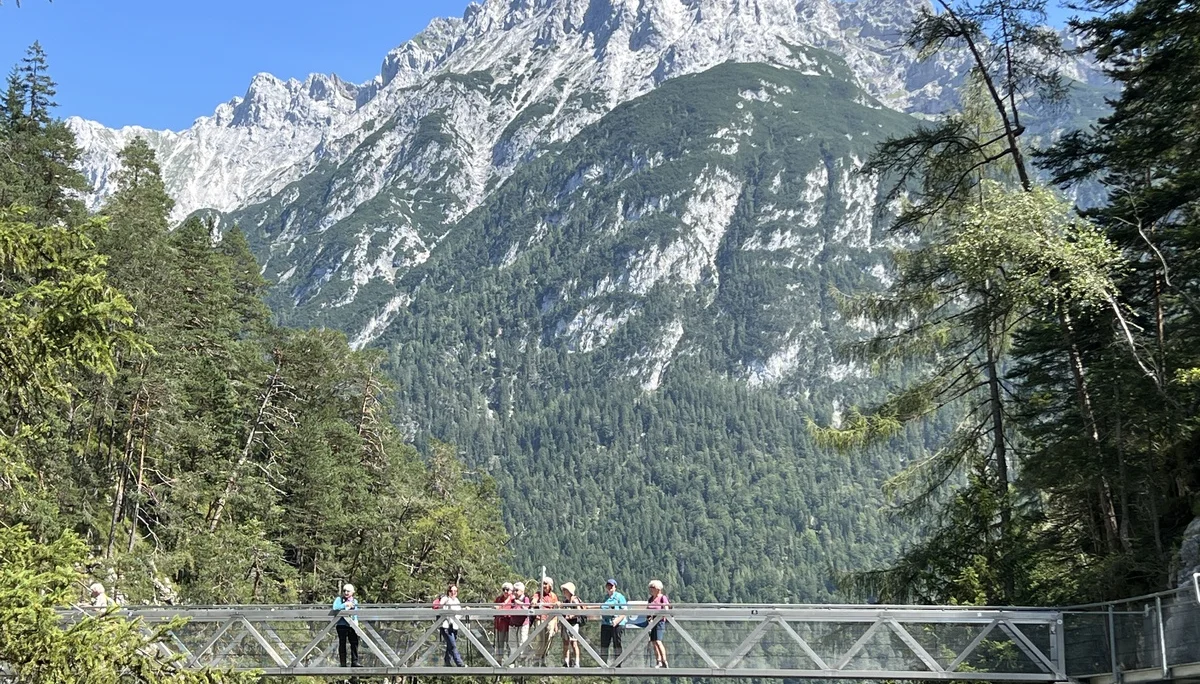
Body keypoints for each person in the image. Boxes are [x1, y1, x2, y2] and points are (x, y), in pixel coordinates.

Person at [531, 576, 559, 665]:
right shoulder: (538, 594)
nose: (543, 586)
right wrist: (534, 601)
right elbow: (534, 599)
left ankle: (543, 657)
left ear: (550, 585)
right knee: (540, 640)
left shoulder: (553, 596)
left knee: (549, 639)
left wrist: (555, 624)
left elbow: (556, 609)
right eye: (542, 584)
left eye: (545, 584)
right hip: (540, 618)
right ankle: (537, 658)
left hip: (550, 619)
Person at [332, 583, 361, 668]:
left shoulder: (354, 601)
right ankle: (343, 663)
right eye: (344, 591)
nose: (346, 592)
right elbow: (335, 608)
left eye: (348, 591)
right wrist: (344, 605)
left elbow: (355, 613)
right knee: (342, 643)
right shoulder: (339, 599)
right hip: (341, 624)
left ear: (352, 592)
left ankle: (354, 662)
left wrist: (356, 623)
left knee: (354, 642)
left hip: (351, 625)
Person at [436, 583, 465, 666]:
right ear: (448, 592)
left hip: (454, 627)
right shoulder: (446, 599)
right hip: (446, 626)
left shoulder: (456, 600)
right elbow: (440, 607)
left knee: (450, 646)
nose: (453, 593)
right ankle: (459, 663)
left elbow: (459, 613)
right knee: (453, 645)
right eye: (451, 591)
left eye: (455, 591)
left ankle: (447, 662)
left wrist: (465, 609)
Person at [599, 578, 627, 664]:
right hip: (606, 623)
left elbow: (625, 611)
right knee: (604, 644)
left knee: (617, 643)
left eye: (611, 586)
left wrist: (618, 620)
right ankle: (603, 663)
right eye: (608, 586)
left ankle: (618, 663)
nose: (609, 587)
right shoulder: (605, 598)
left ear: (615, 587)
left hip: (617, 624)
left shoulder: (619, 597)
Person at [560, 582, 584, 667]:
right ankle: (566, 661)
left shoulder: (574, 599)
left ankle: (576, 662)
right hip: (566, 624)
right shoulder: (565, 601)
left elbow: (579, 611)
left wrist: (571, 616)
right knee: (565, 643)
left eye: (565, 590)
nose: (563, 592)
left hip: (573, 624)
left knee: (574, 643)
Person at [647, 579, 670, 668]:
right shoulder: (650, 599)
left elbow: (666, 608)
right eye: (650, 587)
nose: (651, 589)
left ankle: (664, 660)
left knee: (658, 641)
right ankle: (658, 661)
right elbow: (648, 610)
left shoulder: (662, 598)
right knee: (653, 642)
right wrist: (649, 619)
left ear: (658, 589)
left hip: (660, 621)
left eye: (653, 587)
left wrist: (661, 614)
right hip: (652, 622)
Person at [508, 581, 532, 662]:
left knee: (522, 642)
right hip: (513, 624)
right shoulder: (512, 599)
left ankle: (522, 659)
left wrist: (520, 604)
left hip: (523, 624)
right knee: (512, 642)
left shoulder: (525, 599)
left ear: (522, 591)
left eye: (516, 590)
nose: (515, 592)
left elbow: (527, 609)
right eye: (514, 590)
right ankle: (513, 659)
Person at [494, 582, 515, 660]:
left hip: (510, 625)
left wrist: (500, 608)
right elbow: (494, 608)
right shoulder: (499, 599)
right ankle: (499, 660)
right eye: (504, 589)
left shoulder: (513, 599)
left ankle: (510, 661)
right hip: (500, 625)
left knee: (510, 643)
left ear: (511, 590)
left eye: (507, 589)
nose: (505, 591)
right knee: (500, 643)